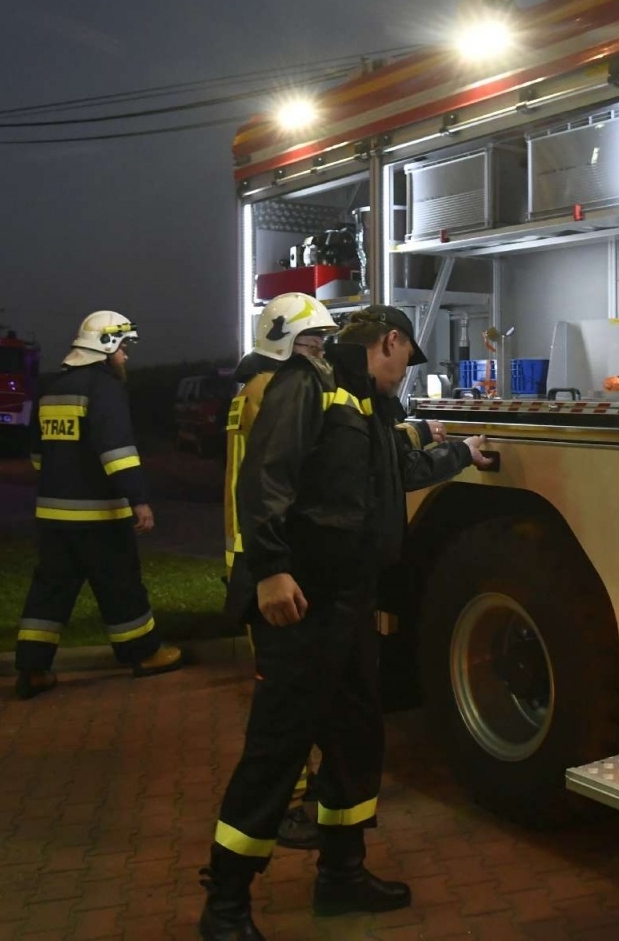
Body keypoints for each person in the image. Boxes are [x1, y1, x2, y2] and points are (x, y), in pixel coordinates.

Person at [199, 305, 489, 939]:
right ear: (390, 341)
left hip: (350, 603)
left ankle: (342, 876)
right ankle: (224, 906)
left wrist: (462, 454)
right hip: (302, 602)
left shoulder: (366, 404)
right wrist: (272, 569)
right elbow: (265, 479)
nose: (406, 375)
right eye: (407, 359)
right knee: (278, 750)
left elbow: (397, 474)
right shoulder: (308, 384)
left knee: (357, 740)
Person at [13, 310, 184, 700]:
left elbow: (38, 454)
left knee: (50, 591)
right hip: (99, 514)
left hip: (53, 515)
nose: (126, 357)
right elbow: (118, 452)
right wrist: (138, 500)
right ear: (106, 347)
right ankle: (145, 655)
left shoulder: (53, 387)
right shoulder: (104, 388)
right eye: (123, 348)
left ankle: (32, 668)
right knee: (121, 584)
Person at [223, 292, 337, 849]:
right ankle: (290, 807)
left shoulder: (251, 386)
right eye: (314, 342)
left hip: (249, 553)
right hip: (266, 558)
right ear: (291, 343)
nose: (321, 353)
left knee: (283, 690)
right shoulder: (278, 389)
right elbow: (278, 477)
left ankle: (290, 795)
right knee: (286, 697)